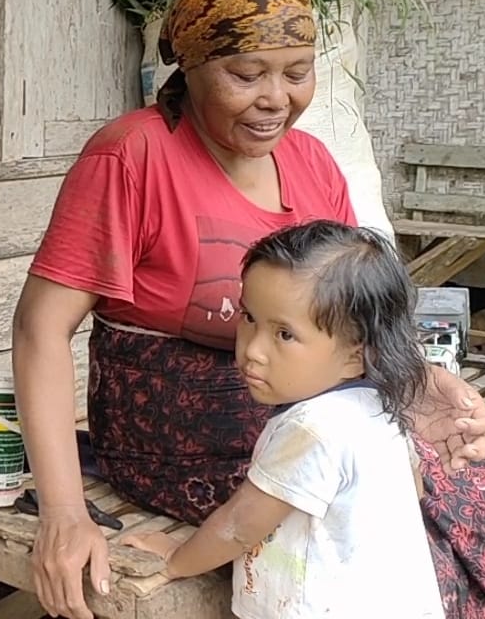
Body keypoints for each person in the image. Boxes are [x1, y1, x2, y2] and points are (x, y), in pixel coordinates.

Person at [13, 0, 485, 619]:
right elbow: (40, 327)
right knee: (394, 531)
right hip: (172, 434)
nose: (276, 98)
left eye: (297, 73)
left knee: (476, 497)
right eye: (247, 75)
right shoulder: (132, 156)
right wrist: (65, 513)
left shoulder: (313, 162)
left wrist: (414, 387)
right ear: (191, 65)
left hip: (298, 416)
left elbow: (351, 309)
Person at [121, 220, 442, 618]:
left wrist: (176, 560)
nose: (253, 349)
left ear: (354, 355)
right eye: (249, 317)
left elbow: (239, 525)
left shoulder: (312, 427)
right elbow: (414, 489)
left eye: (285, 335)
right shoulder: (379, 410)